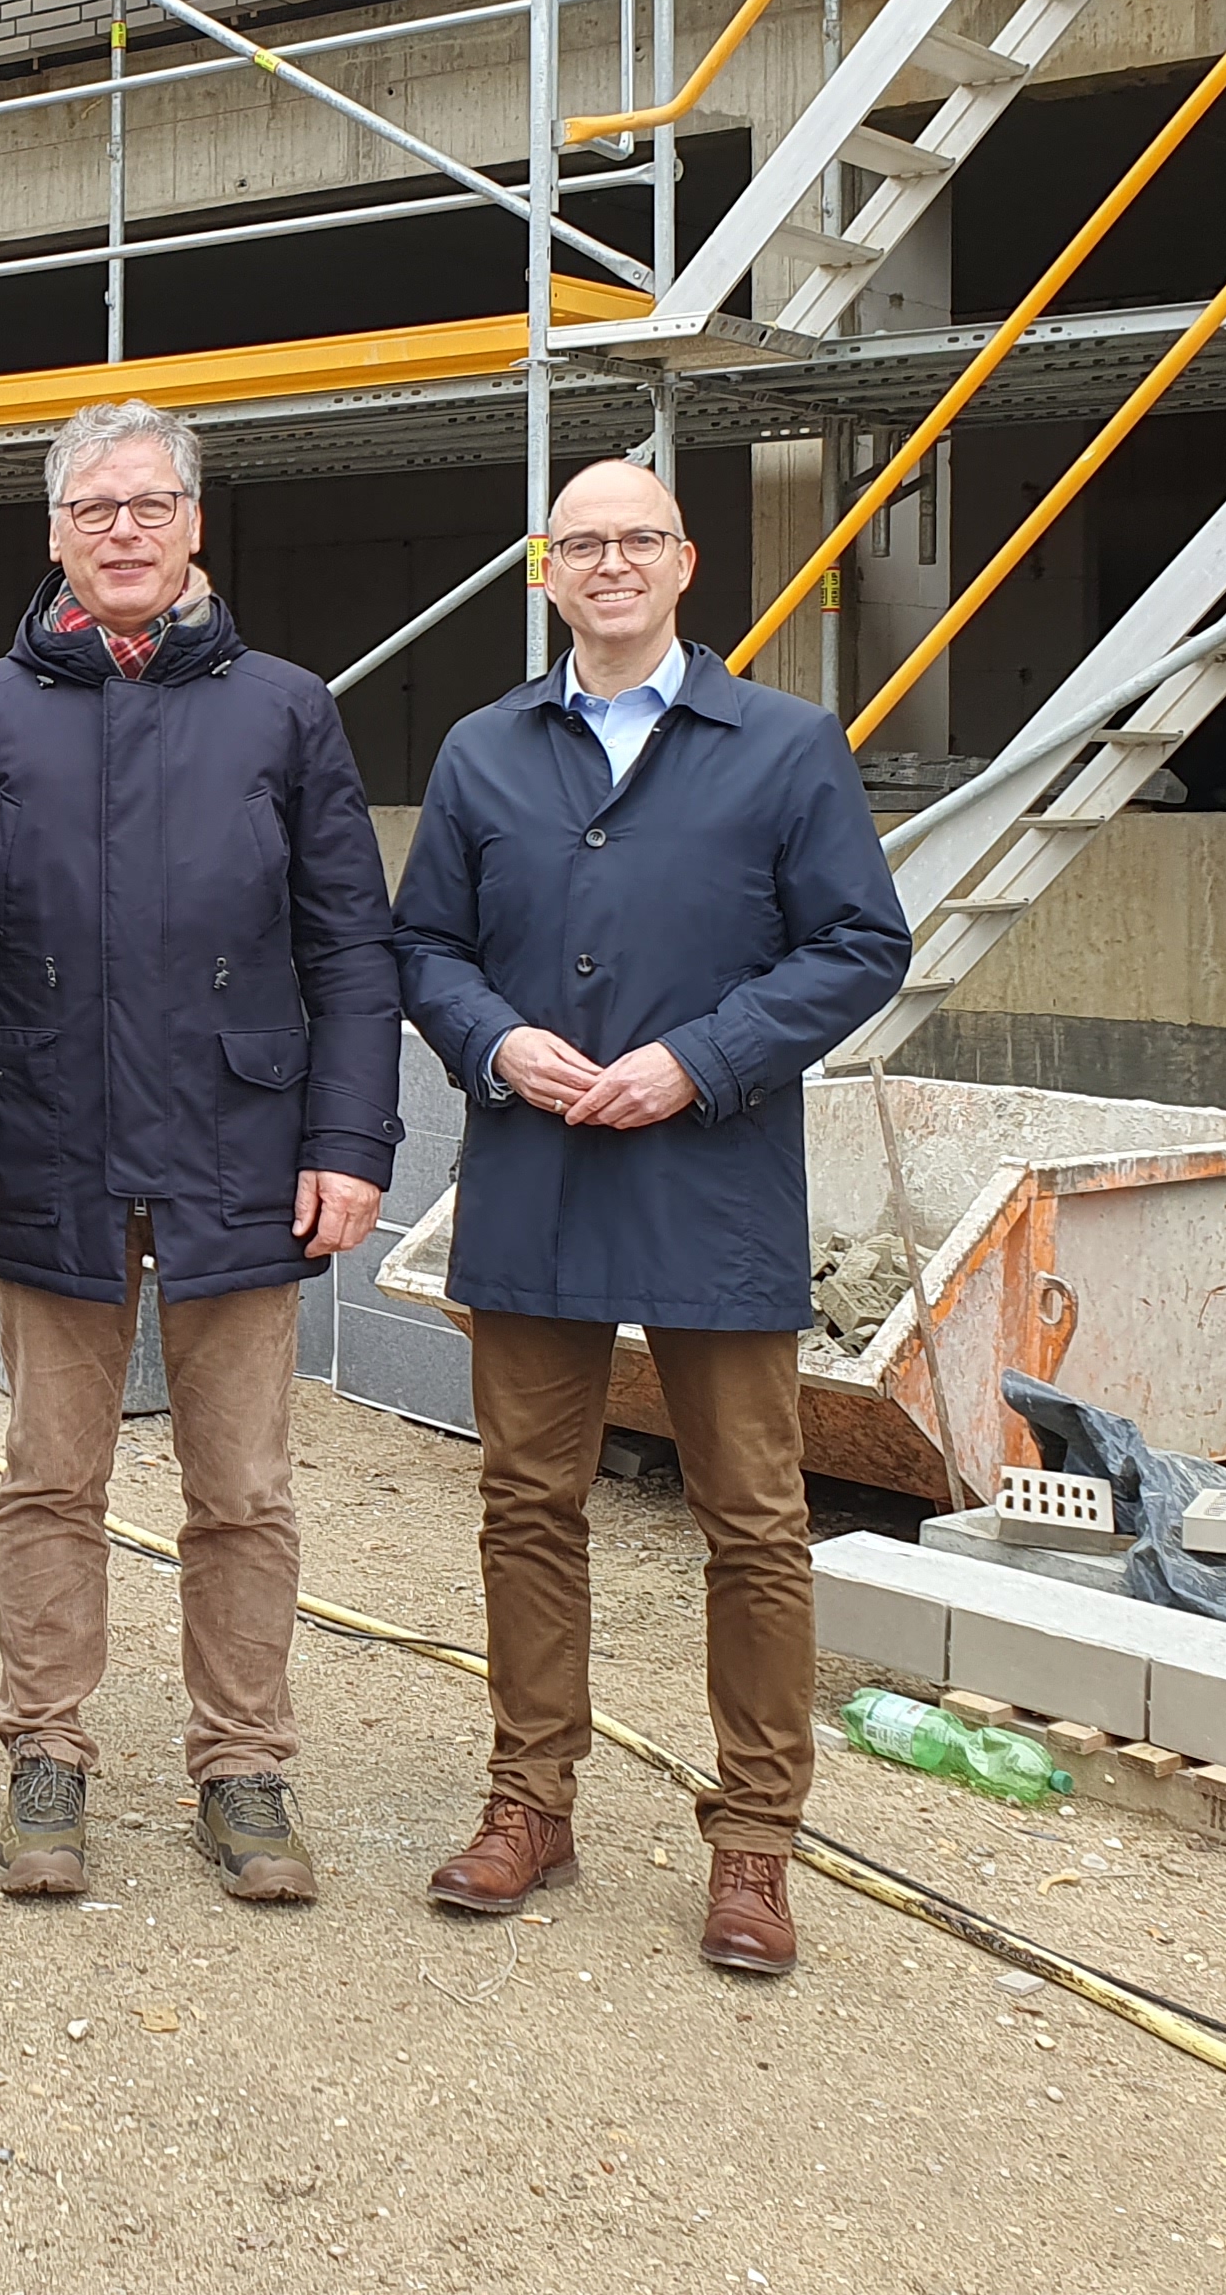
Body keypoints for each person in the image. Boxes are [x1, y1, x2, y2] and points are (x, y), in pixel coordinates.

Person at [394, 457, 910, 1977]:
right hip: (539, 1168)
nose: (608, 564)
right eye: (580, 544)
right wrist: (492, 1039)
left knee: (752, 1520)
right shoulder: (488, 752)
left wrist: (706, 1058)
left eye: (637, 541)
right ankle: (528, 1803)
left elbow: (861, 942)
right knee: (526, 1505)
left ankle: (754, 1844)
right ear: (546, 572)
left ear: (686, 565)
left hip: (712, 1176)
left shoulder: (783, 746)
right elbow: (422, 942)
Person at [0, 400, 401, 1909]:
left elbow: (352, 948)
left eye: (150, 504)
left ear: (195, 525)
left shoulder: (285, 709)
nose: (123, 529)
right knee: (50, 1475)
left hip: (240, 1149)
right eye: (94, 507)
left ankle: (242, 1767)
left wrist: (349, 1136)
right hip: (49, 1145)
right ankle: (45, 1754)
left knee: (242, 1485)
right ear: (55, 535)